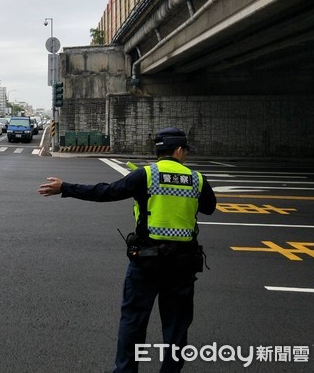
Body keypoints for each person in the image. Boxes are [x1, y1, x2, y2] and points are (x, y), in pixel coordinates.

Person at [38, 127, 216, 372]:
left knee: (133, 322)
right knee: (176, 329)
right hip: (182, 266)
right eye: (185, 151)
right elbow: (209, 208)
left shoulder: (146, 176)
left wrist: (66, 187)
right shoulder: (196, 179)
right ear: (178, 150)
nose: (186, 155)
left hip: (146, 262)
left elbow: (106, 192)